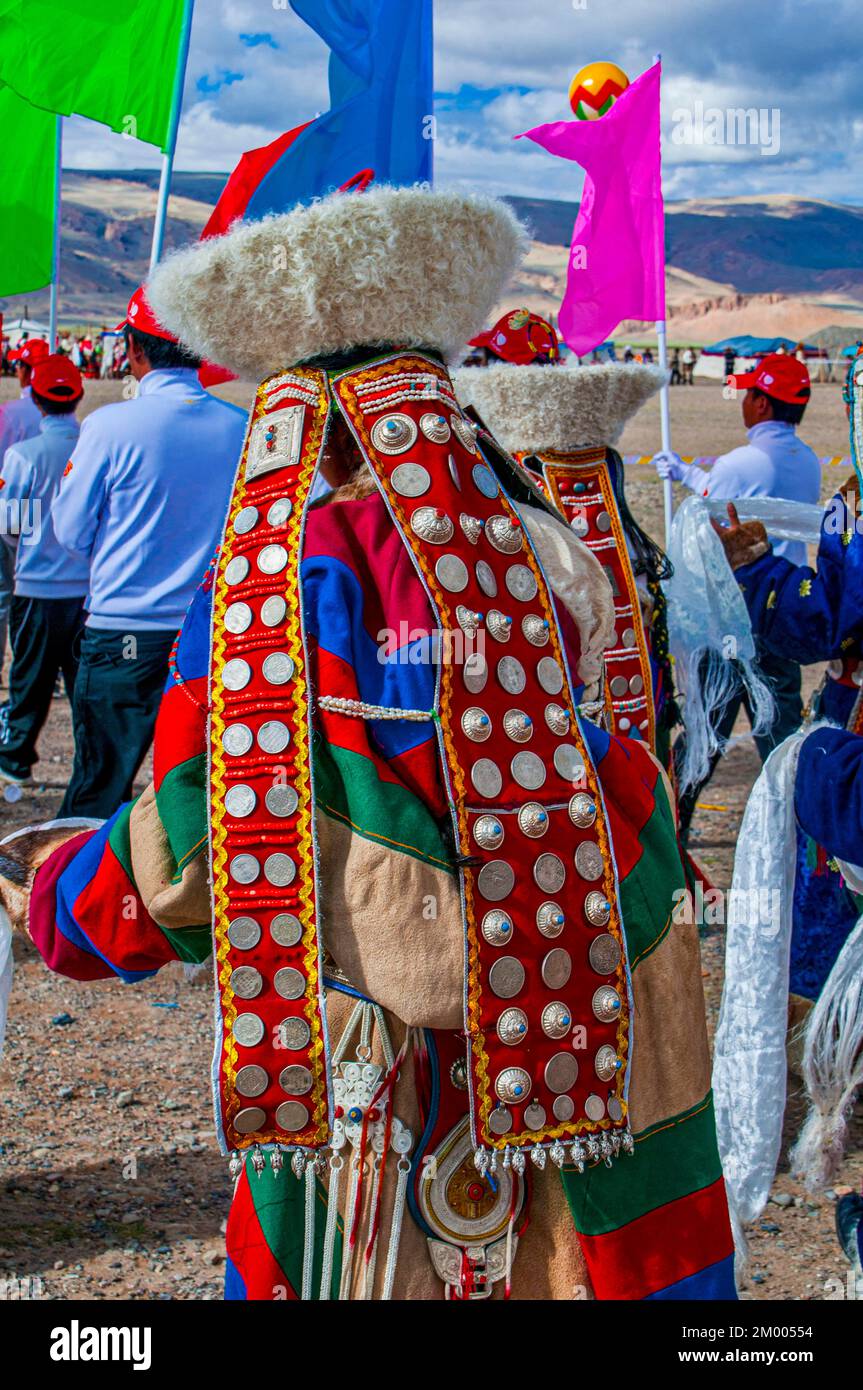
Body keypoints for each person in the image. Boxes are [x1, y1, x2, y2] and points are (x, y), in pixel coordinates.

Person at [0, 185, 735, 1301]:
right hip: (597, 942)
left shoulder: (283, 571)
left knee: (331, 1253)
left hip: (367, 1009)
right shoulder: (542, 530)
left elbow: (202, 826)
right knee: (616, 1258)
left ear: (299, 415)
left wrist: (63, 903)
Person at [52, 286, 247, 818]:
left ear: (135, 350)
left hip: (125, 632)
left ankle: (76, 898)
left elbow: (69, 532)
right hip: (210, 633)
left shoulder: (110, 427)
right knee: (195, 793)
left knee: (98, 789)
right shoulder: (240, 427)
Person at [652, 352, 822, 837]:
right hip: (782, 614)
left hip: (731, 617)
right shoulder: (806, 460)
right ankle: (800, 836)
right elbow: (742, 500)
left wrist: (688, 481)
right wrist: (685, 472)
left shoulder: (739, 461)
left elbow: (715, 520)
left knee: (704, 737)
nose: (744, 403)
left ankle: (673, 834)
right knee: (783, 739)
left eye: (750, 394)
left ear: (763, 404)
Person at [0, 356, 88, 786]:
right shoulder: (93, 443)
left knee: (28, 679)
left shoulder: (25, 456)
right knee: (82, 688)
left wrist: (35, 551)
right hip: (88, 591)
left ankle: (15, 759)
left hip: (37, 587)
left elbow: (13, 527)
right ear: (79, 395)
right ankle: (88, 767)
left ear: (35, 398)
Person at [0, 338, 51, 674]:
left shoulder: (9, 413)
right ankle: (37, 662)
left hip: (15, 505)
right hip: (46, 510)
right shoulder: (55, 412)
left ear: (23, 370)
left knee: (7, 591)